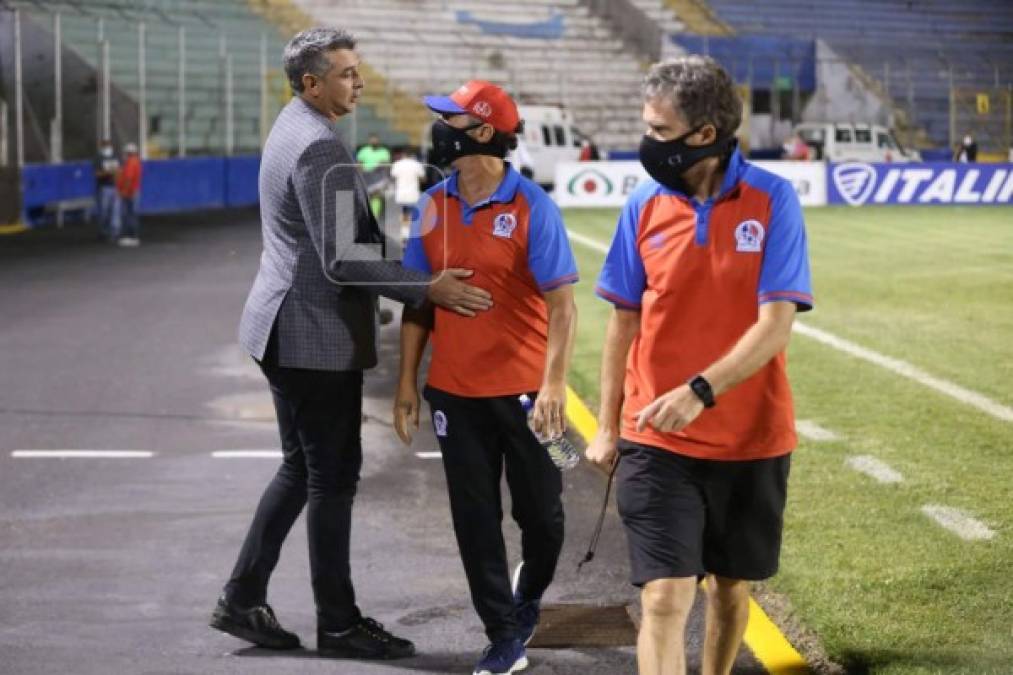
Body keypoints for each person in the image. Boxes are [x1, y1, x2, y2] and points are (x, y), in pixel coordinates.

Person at [210, 27, 493, 661]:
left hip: (279, 324)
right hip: (310, 339)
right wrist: (428, 286)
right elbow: (344, 259)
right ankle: (337, 623)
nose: (358, 82)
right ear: (311, 83)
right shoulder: (320, 150)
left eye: (356, 70)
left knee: (301, 467)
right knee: (331, 477)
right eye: (344, 73)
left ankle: (242, 597)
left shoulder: (291, 126)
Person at [585, 55, 813, 675]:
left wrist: (700, 390)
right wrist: (609, 425)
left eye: (658, 131)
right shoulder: (643, 204)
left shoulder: (773, 201)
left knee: (731, 588)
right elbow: (622, 321)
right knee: (663, 596)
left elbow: (776, 326)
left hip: (750, 438)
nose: (645, 143)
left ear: (704, 135)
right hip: (656, 434)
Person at [394, 80, 578, 675]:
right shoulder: (431, 206)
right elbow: (416, 303)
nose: (437, 127)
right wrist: (406, 384)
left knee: (545, 519)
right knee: (474, 521)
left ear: (481, 133)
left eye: (449, 118)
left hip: (532, 397)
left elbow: (564, 306)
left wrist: (554, 386)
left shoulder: (533, 207)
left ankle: (528, 595)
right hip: (455, 395)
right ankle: (503, 633)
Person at [389, 148, 426, 227]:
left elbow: (392, 178)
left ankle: (404, 234)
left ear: (403, 155)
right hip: (413, 194)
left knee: (403, 214)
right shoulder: (417, 164)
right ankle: (411, 233)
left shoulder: (397, 164)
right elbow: (423, 179)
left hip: (401, 194)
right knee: (414, 215)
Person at [357, 133, 391, 217]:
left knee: (376, 197)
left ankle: (375, 217)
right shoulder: (363, 151)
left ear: (378, 141)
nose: (374, 141)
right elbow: (359, 165)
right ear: (369, 140)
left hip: (378, 179)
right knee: (366, 198)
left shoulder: (384, 151)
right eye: (372, 140)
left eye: (375, 140)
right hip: (366, 178)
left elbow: (386, 165)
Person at [116, 143, 143, 247]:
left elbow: (128, 178)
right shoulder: (135, 161)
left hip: (130, 192)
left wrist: (124, 191)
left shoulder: (131, 162)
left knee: (128, 214)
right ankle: (133, 236)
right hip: (133, 191)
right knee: (131, 214)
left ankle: (130, 236)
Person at [94, 139, 120, 241]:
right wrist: (107, 172)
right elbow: (97, 174)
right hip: (104, 187)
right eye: (106, 146)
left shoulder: (115, 157)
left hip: (115, 187)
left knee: (115, 211)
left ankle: (115, 233)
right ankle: (103, 232)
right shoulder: (98, 158)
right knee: (104, 211)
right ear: (102, 147)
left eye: (109, 146)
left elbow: (120, 171)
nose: (108, 148)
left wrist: (117, 173)